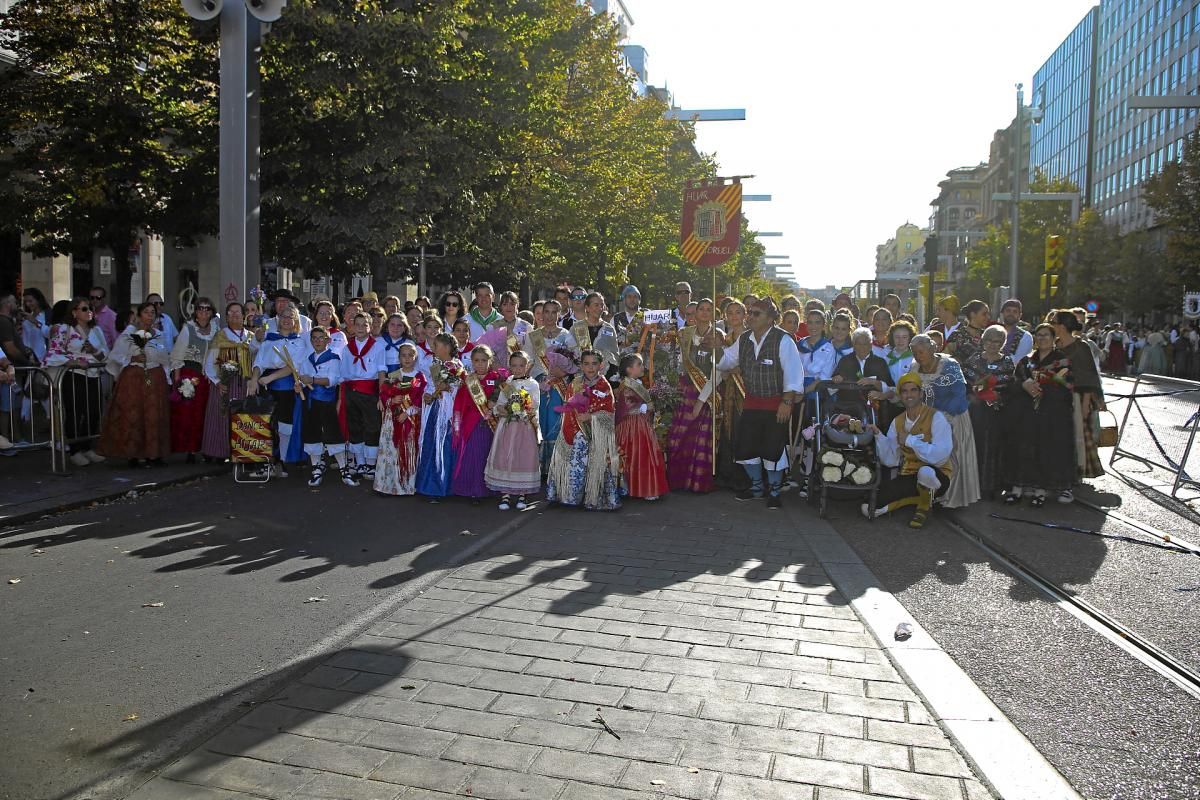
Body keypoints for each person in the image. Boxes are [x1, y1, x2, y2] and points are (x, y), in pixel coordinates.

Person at [714, 298, 804, 509]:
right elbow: (725, 361)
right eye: (750, 313)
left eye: (756, 314)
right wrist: (716, 347)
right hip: (752, 402)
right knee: (747, 447)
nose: (750, 317)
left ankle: (774, 491)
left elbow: (793, 373)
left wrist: (786, 402)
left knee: (773, 449)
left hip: (776, 404)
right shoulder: (744, 338)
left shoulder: (783, 340)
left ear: (771, 318)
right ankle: (756, 488)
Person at [864, 372, 953, 529]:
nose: (909, 395)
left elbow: (940, 455)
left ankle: (923, 506)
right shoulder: (897, 422)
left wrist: (910, 441)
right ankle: (917, 500)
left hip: (937, 476)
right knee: (868, 506)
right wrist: (878, 436)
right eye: (904, 391)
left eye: (913, 390)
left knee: (925, 472)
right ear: (900, 395)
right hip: (909, 476)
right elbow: (890, 460)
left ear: (920, 393)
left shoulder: (936, 417)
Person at [1003, 324, 1075, 506]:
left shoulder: (1062, 361)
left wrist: (1043, 389)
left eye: (1046, 335)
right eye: (1039, 335)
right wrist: (1024, 385)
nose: (1042, 338)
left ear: (1053, 338)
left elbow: (1068, 387)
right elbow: (1013, 383)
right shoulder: (1026, 361)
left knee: (1046, 451)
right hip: (1027, 415)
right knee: (1024, 450)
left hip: (1052, 414)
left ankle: (1041, 490)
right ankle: (1018, 488)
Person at [908, 334, 979, 508]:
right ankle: (929, 494)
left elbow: (959, 394)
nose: (918, 356)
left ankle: (950, 497)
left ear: (933, 348)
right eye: (915, 352)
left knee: (951, 455)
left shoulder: (949, 365)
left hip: (952, 417)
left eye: (921, 351)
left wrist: (940, 418)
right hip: (926, 420)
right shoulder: (914, 367)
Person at [96, 302, 171, 466]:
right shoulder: (129, 334)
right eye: (146, 312)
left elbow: (163, 355)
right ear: (138, 315)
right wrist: (131, 359)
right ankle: (133, 454)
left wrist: (166, 376)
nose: (150, 315)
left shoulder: (158, 334)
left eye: (152, 312)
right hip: (134, 377)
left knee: (153, 416)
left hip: (154, 377)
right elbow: (115, 356)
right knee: (134, 414)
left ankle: (154, 453)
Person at [546, 349, 621, 510]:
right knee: (574, 462)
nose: (590, 367)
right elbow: (568, 406)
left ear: (600, 365)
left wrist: (591, 417)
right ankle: (570, 497)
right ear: (581, 365)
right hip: (576, 432)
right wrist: (575, 426)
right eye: (586, 364)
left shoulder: (604, 386)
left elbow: (609, 413)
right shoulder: (575, 383)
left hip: (596, 437)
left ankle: (592, 497)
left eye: (594, 364)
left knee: (596, 464)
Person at [247, 303, 311, 476]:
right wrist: (254, 379)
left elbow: (293, 366)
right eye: (283, 316)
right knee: (265, 424)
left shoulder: (299, 342)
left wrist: (270, 378)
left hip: (286, 386)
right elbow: (259, 362)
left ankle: (281, 461)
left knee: (284, 425)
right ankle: (266, 462)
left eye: (291, 317)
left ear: (296, 320)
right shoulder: (270, 339)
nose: (286, 320)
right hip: (266, 386)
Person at [44, 296, 108, 466]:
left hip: (93, 374)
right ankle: (74, 450)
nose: (89, 312)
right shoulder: (64, 329)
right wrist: (72, 362)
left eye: (90, 309)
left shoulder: (97, 331)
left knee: (94, 411)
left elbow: (105, 355)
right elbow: (53, 353)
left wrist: (94, 350)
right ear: (74, 312)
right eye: (84, 309)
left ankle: (87, 447)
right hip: (74, 375)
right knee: (75, 412)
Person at [669, 298, 720, 493]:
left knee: (700, 438)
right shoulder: (684, 334)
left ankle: (697, 483)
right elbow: (678, 363)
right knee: (679, 436)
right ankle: (678, 480)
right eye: (701, 309)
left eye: (709, 310)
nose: (705, 313)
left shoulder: (719, 336)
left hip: (705, 392)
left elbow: (718, 372)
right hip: (684, 390)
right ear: (695, 312)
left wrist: (701, 400)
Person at [201, 302, 259, 463]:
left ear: (243, 316)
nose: (234, 315)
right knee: (220, 416)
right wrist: (218, 382)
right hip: (225, 382)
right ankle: (217, 452)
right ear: (226, 317)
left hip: (245, 383)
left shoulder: (251, 337)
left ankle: (242, 452)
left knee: (243, 418)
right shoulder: (220, 336)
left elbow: (257, 361)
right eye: (231, 312)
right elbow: (210, 362)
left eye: (237, 312)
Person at [1053, 310, 1106, 485]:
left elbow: (1089, 376)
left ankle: (1078, 471)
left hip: (1078, 396)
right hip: (1058, 397)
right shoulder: (1056, 345)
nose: (1052, 325)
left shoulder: (1081, 346)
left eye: (1054, 323)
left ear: (1062, 326)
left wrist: (1085, 405)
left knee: (1080, 437)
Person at [962, 325, 1015, 499]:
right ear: (984, 341)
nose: (993, 345)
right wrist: (973, 396)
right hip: (976, 412)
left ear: (1003, 343)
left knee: (994, 447)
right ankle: (972, 485)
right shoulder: (973, 360)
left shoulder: (1008, 362)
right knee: (975, 445)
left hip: (998, 413)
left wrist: (999, 396)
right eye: (990, 341)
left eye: (998, 342)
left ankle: (992, 486)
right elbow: (965, 385)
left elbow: (1011, 388)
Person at [485, 351, 542, 509]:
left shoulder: (532, 384)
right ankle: (506, 494)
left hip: (524, 426)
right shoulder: (507, 382)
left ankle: (522, 493)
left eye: (521, 365)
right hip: (507, 426)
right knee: (505, 457)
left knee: (522, 457)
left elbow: (535, 404)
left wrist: (524, 407)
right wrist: (501, 409)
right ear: (509, 366)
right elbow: (501, 402)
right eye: (514, 366)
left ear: (527, 366)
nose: (517, 369)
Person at [296, 325, 352, 487]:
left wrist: (311, 380)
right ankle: (316, 469)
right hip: (311, 403)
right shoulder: (308, 360)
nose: (318, 341)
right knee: (312, 434)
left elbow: (332, 380)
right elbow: (302, 381)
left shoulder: (334, 358)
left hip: (328, 403)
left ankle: (344, 470)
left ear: (328, 340)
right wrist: (299, 386)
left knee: (333, 435)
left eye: (321, 338)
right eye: (314, 338)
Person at [451, 345, 507, 499]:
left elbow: (505, 398)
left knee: (488, 455)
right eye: (476, 360)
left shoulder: (497, 379)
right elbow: (461, 403)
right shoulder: (469, 380)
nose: (480, 364)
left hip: (491, 423)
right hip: (472, 424)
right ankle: (473, 490)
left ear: (490, 361)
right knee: (474, 456)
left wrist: (494, 404)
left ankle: (490, 488)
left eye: (484, 360)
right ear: (472, 362)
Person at [167, 297, 218, 462]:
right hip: (189, 375)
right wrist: (177, 381)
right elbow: (177, 355)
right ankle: (189, 449)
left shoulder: (216, 330)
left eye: (207, 308)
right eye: (200, 308)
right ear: (195, 311)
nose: (204, 311)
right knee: (188, 414)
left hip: (207, 378)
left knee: (204, 414)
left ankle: (203, 447)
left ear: (211, 312)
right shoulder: (188, 329)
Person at [614, 352, 668, 501]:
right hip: (632, 426)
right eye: (639, 365)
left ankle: (644, 486)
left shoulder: (636, 383)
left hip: (640, 424)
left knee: (642, 454)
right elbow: (625, 404)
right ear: (629, 369)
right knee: (639, 454)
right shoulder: (626, 384)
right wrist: (642, 407)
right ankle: (640, 488)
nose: (642, 367)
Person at [375, 342, 427, 496]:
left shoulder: (419, 377)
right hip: (393, 420)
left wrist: (408, 412)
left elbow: (420, 399)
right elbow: (384, 395)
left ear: (415, 357)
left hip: (411, 421)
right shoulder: (392, 376)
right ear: (398, 358)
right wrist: (392, 400)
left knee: (409, 451)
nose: (407, 358)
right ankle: (388, 485)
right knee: (392, 450)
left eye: (411, 355)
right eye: (403, 355)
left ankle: (407, 485)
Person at [416, 333, 464, 500]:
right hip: (436, 410)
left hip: (448, 413)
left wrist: (447, 389)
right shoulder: (436, 364)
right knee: (433, 444)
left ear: (446, 347)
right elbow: (432, 386)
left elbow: (459, 391)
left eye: (436, 345)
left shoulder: (457, 366)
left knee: (444, 445)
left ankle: (444, 486)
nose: (433, 349)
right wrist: (429, 395)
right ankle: (430, 485)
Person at [341, 312, 387, 481]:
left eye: (364, 325)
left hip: (369, 392)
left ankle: (370, 463)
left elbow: (382, 371)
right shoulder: (347, 348)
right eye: (357, 324)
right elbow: (343, 373)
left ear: (370, 327)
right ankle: (359, 462)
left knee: (372, 426)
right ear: (352, 327)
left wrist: (382, 394)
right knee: (355, 427)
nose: (360, 328)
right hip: (351, 391)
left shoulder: (378, 347)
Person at [570, 292, 619, 371]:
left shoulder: (609, 328)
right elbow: (570, 353)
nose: (600, 308)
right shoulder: (576, 328)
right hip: (581, 376)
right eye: (596, 305)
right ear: (587, 308)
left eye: (602, 305)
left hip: (604, 376)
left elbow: (615, 355)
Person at [20, 288, 50, 364]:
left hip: (44, 358)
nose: (28, 304)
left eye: (30, 301)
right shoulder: (26, 318)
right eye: (26, 302)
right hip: (30, 359)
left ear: (38, 300)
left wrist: (36, 322)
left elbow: (51, 334)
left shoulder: (47, 315)